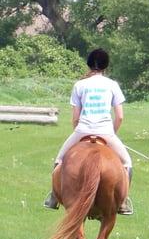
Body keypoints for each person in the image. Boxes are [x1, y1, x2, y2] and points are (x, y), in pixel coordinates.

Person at [43, 48, 134, 215]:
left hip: (82, 129)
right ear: (105, 66)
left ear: (89, 64)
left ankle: (54, 197)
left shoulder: (80, 85)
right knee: (127, 163)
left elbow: (75, 117)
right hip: (106, 131)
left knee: (59, 161)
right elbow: (120, 116)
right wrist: (111, 134)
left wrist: (79, 132)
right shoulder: (112, 85)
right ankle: (123, 202)